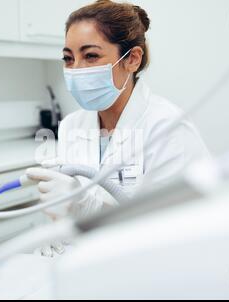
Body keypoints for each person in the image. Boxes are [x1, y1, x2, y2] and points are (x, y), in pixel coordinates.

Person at [26, 0, 210, 219]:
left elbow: (178, 226)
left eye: (91, 56)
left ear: (132, 59)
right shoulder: (71, 126)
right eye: (68, 58)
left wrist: (92, 208)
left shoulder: (169, 128)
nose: (75, 70)